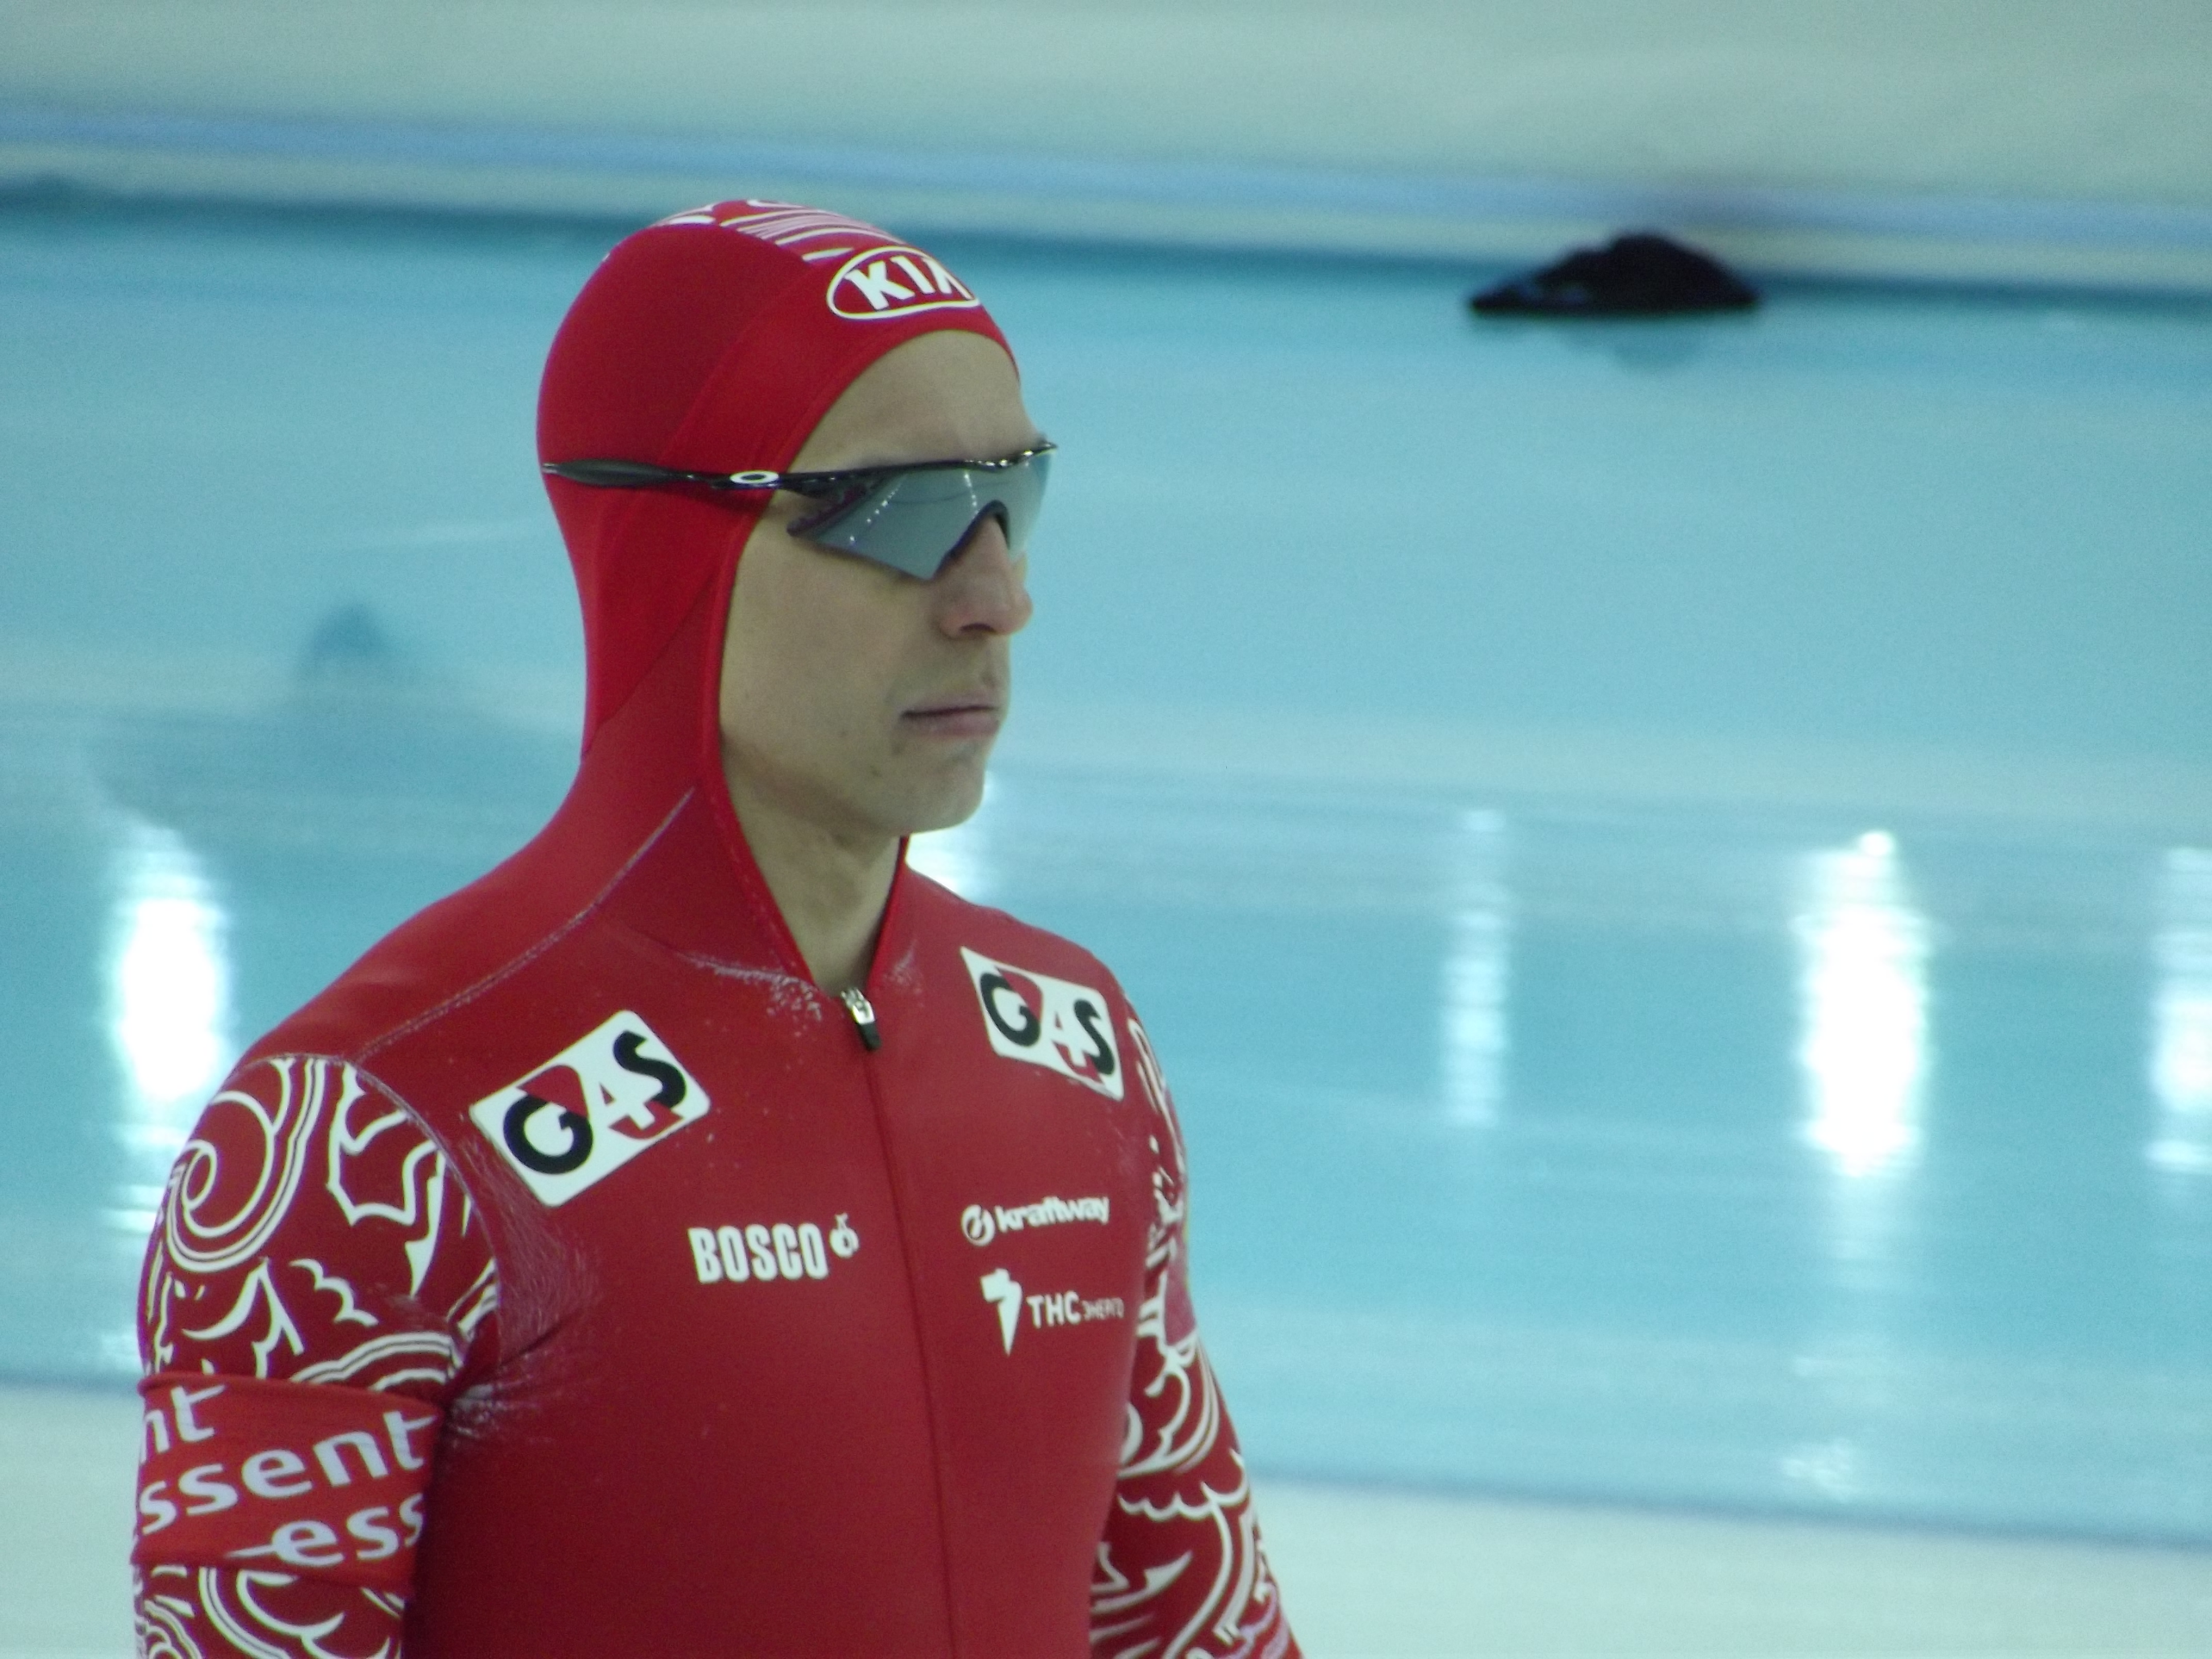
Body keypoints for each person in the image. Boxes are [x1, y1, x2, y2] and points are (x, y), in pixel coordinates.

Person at [129, 199, 1298, 1658]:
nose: (998, 599)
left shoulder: (1076, 1053)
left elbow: (1198, 1631)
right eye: (900, 511)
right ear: (666, 545)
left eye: (1016, 495)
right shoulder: (363, 1143)